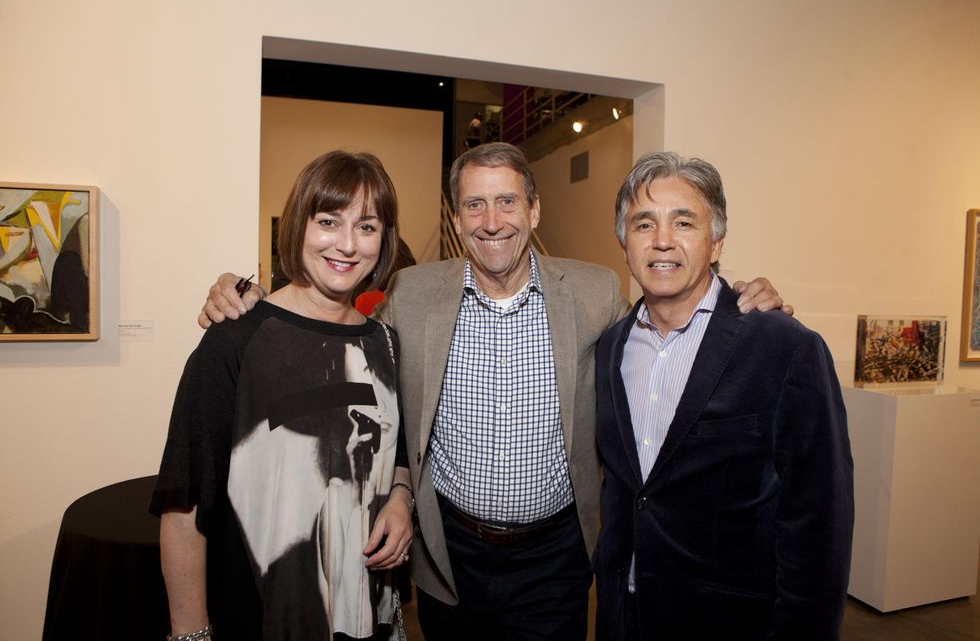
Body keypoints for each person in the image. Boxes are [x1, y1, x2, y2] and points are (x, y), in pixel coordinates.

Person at [199, 142, 788, 640]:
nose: (491, 220)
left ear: (533, 209)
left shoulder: (594, 292)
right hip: (449, 553)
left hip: (556, 554)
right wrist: (244, 294)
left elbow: (667, 322)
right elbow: (342, 339)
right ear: (456, 219)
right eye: (473, 204)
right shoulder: (411, 292)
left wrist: (740, 300)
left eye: (507, 201)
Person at [151, 151, 414, 641]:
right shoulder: (237, 340)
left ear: (385, 240)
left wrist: (400, 497)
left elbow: (394, 451)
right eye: (329, 221)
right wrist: (190, 634)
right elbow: (184, 504)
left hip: (367, 614)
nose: (347, 244)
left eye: (367, 226)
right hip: (262, 616)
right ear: (298, 226)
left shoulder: (386, 345)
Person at [594, 152, 853, 640]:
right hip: (624, 615)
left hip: (729, 622)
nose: (662, 240)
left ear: (716, 243)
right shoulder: (611, 348)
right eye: (643, 223)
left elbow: (819, 524)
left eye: (684, 222)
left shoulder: (786, 348)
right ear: (625, 244)